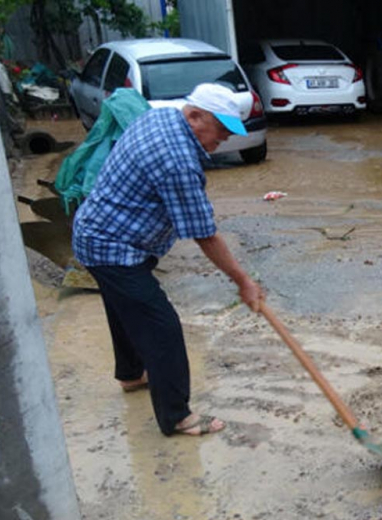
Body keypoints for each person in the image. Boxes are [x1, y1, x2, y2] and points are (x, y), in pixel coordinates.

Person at [71, 83, 264, 437]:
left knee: (123, 306)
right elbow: (204, 233)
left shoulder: (161, 117)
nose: (222, 139)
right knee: (162, 328)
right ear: (194, 115)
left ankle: (131, 375)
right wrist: (243, 280)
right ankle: (177, 416)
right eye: (219, 129)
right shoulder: (176, 159)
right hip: (113, 246)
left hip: (101, 233)